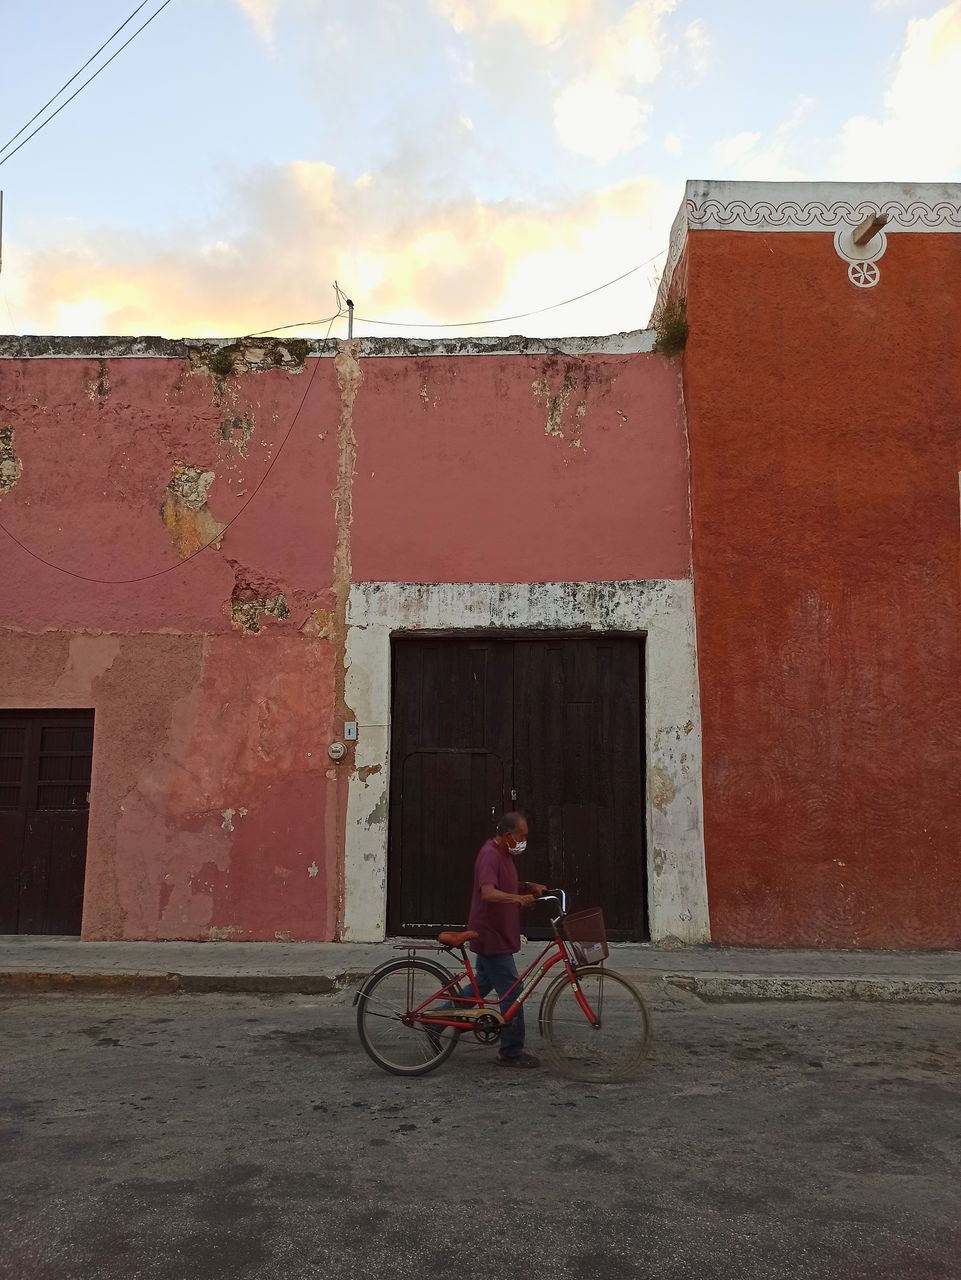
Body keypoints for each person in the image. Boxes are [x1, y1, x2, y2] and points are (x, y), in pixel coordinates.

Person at [465, 811, 546, 1068]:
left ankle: (435, 1021)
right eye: (522, 836)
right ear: (509, 836)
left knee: (481, 985)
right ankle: (511, 1052)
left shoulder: (504, 854)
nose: (524, 840)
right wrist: (518, 899)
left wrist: (527, 886)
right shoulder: (490, 854)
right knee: (513, 992)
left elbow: (505, 883)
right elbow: (488, 892)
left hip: (498, 932)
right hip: (492, 934)